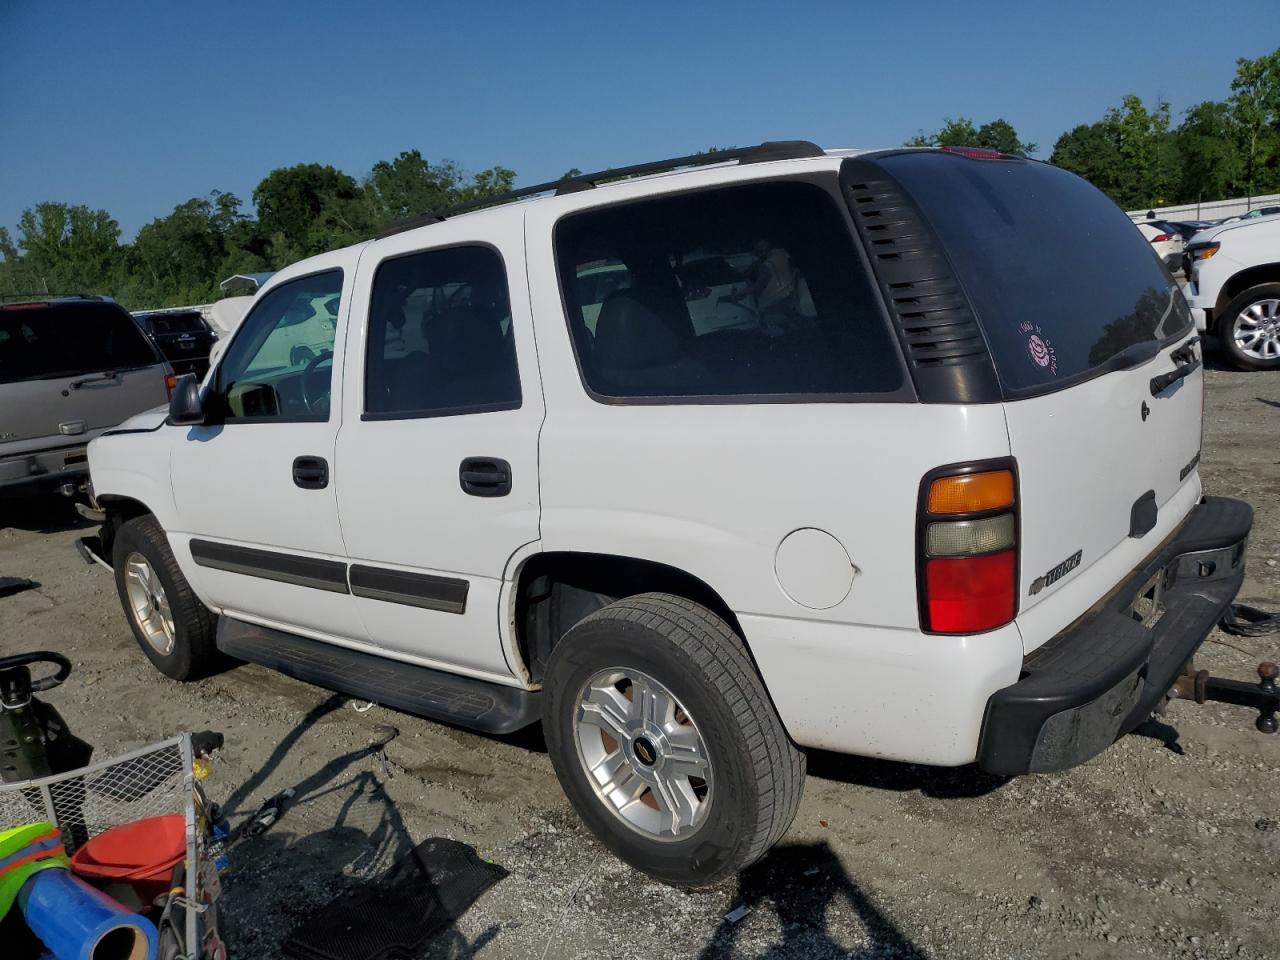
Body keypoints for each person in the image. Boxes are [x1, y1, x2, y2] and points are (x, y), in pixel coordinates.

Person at [731, 240, 796, 335]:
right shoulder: (781, 254)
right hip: (789, 295)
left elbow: (758, 287)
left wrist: (740, 294)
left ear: (762, 252)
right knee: (787, 323)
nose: (757, 256)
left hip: (773, 302)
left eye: (757, 254)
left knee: (771, 327)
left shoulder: (767, 266)